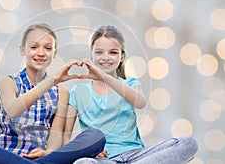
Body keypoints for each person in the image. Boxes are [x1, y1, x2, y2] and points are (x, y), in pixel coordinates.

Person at [0, 23, 105, 164]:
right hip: (5, 155)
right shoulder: (10, 82)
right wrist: (52, 81)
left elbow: (55, 139)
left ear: (54, 53)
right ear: (23, 50)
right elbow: (13, 110)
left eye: (48, 48)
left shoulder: (61, 92)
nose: (41, 53)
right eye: (34, 47)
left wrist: (48, 153)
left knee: (96, 137)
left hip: (42, 158)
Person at [64, 25, 198, 164]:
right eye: (99, 52)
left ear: (122, 56)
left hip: (137, 156)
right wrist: (87, 150)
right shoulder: (78, 91)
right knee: (82, 163)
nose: (106, 57)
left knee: (188, 143)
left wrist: (106, 78)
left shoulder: (130, 84)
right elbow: (65, 137)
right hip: (103, 160)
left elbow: (140, 103)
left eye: (113, 52)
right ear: (92, 55)